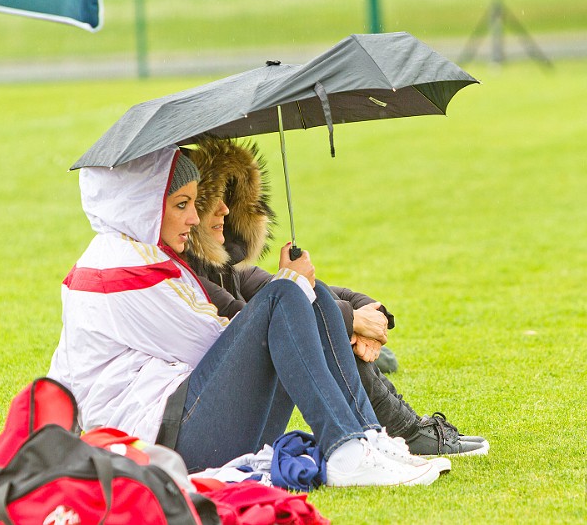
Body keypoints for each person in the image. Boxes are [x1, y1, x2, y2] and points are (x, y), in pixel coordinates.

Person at [47, 145, 444, 487]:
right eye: (182, 205)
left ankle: (364, 437)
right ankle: (346, 449)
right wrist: (305, 301)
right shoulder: (122, 269)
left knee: (307, 293)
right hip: (157, 441)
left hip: (180, 426)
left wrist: (318, 302)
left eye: (194, 202)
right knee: (288, 294)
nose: (194, 217)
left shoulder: (139, 254)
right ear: (143, 206)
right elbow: (220, 344)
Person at [185, 136, 489, 457]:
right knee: (317, 321)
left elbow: (325, 293)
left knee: (318, 307)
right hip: (217, 419)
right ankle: (394, 432)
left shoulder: (227, 269)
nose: (225, 208)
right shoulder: (189, 278)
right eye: (211, 200)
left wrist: (373, 312)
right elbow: (264, 323)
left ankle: (393, 429)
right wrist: (354, 321)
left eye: (228, 196)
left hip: (237, 403)